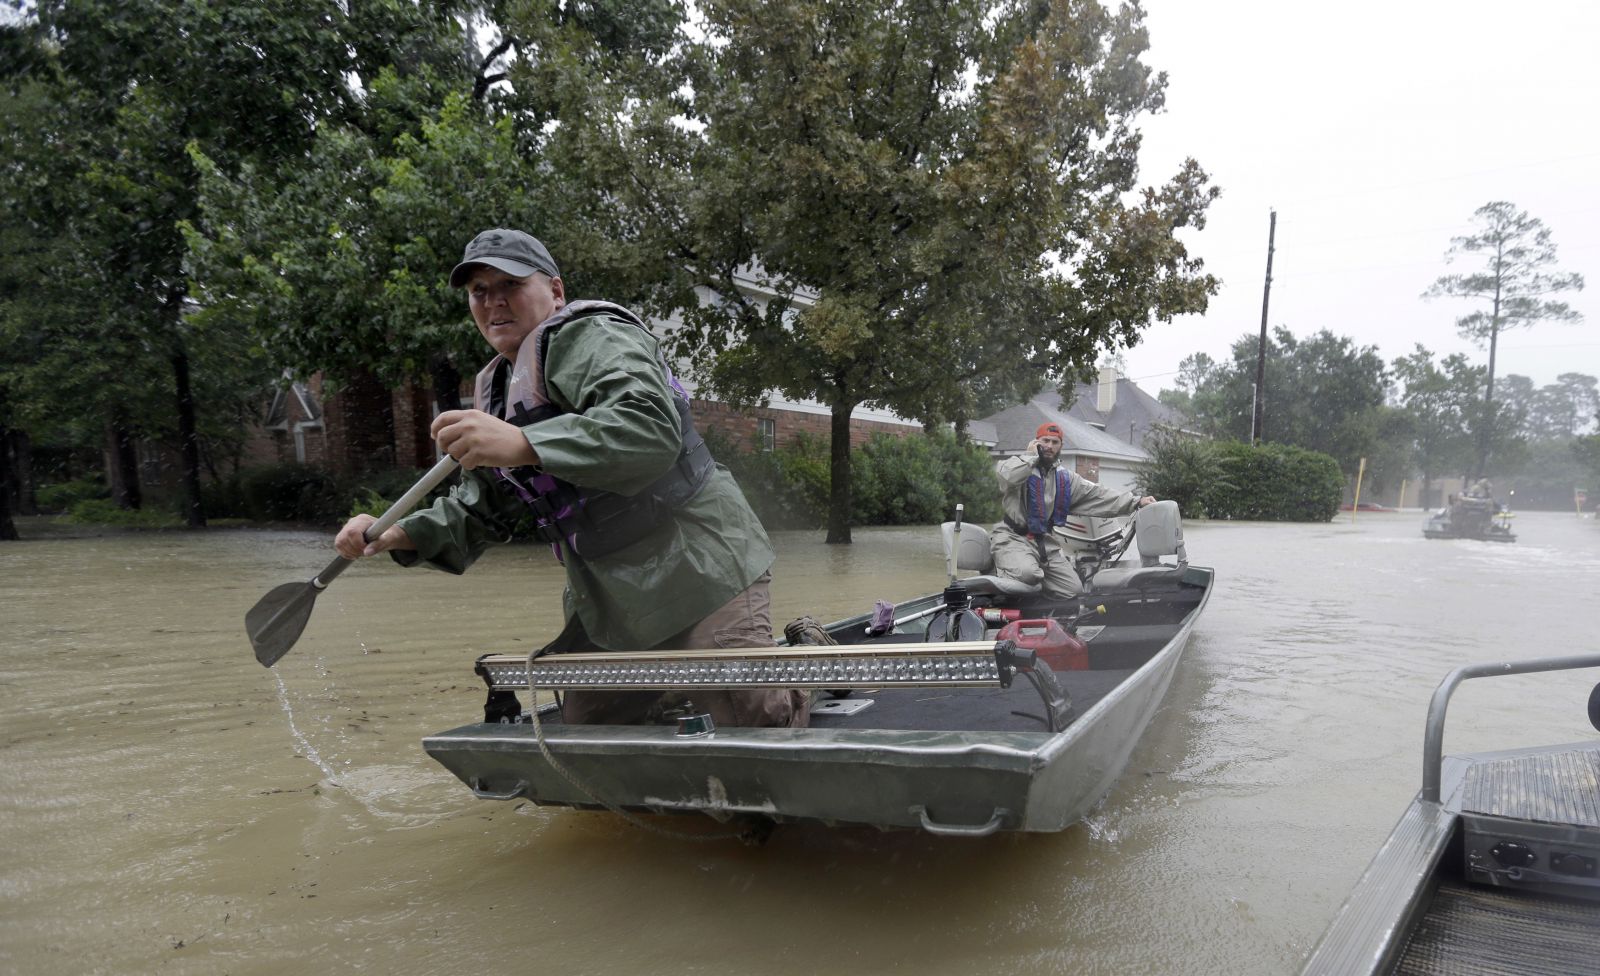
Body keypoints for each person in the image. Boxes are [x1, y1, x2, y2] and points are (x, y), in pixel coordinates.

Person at [334, 228, 807, 729]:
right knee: (588, 724)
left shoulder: (594, 336)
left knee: (752, 717)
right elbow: (487, 504)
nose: (494, 303)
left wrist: (523, 444)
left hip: (704, 563)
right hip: (611, 590)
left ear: (555, 292)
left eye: (510, 285)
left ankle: (804, 674)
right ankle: (678, 690)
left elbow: (648, 429)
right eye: (479, 292)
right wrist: (397, 532)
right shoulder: (494, 389)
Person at [989, 422, 1155, 598]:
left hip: (1043, 543)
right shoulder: (1019, 466)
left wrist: (1136, 501)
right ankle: (1000, 569)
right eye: (1045, 441)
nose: (1049, 446)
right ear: (1036, 442)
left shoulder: (1065, 478)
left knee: (1073, 590)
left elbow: (1098, 494)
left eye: (1055, 442)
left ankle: (1046, 613)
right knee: (1029, 574)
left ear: (1061, 446)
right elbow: (1006, 477)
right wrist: (1030, 456)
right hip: (1012, 538)